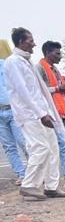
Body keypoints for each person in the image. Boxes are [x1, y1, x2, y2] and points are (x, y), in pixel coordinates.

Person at [3, 27, 65, 201]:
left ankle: (51, 187)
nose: (34, 44)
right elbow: (22, 91)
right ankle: (28, 185)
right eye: (30, 41)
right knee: (40, 148)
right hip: (29, 114)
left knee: (53, 148)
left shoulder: (26, 61)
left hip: (42, 111)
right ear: (21, 42)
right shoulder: (13, 62)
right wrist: (40, 113)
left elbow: (38, 91)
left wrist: (46, 111)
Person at [39, 41, 65, 188]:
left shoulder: (55, 69)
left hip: (64, 110)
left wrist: (62, 88)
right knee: (61, 145)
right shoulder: (40, 68)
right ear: (48, 53)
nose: (60, 56)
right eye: (57, 53)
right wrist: (57, 88)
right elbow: (39, 90)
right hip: (53, 112)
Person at [0, 45, 26, 185]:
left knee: (24, 142)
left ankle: (36, 172)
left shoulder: (6, 65)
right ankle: (21, 174)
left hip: (13, 109)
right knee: (9, 146)